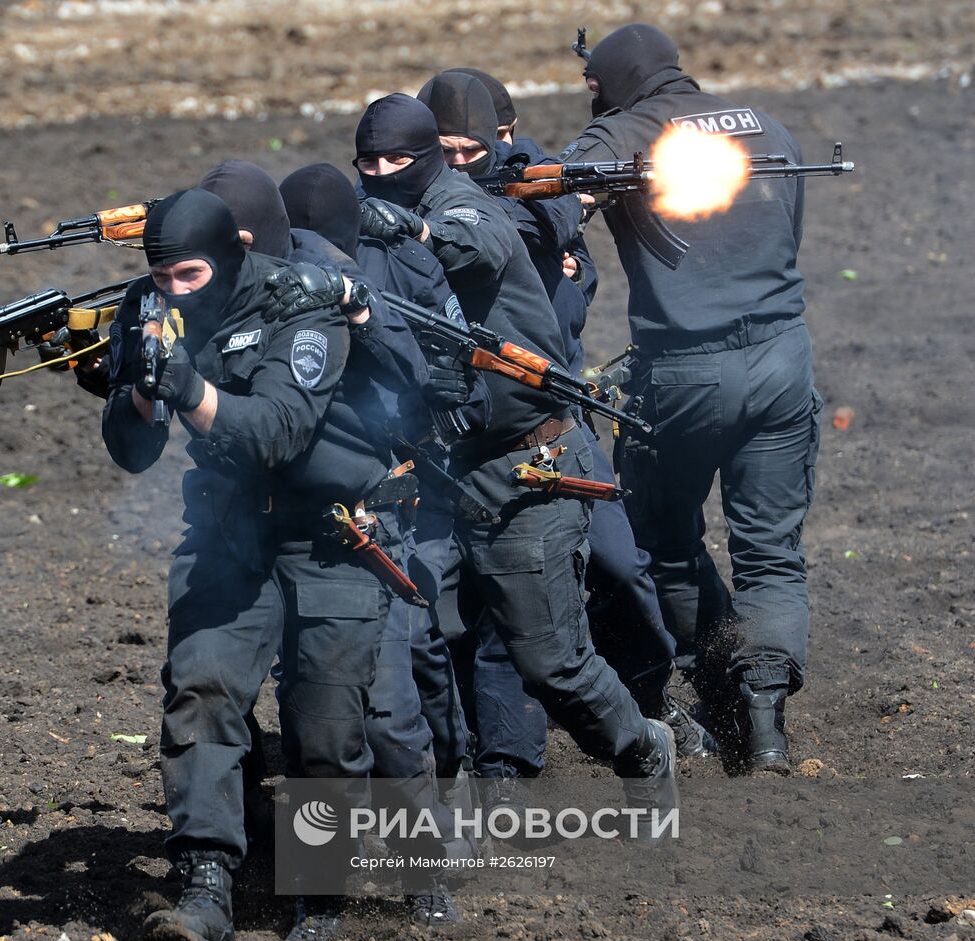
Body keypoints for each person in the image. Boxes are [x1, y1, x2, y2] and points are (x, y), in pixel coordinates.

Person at [349, 93, 679, 819]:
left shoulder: (463, 205)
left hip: (521, 467)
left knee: (551, 662)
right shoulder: (364, 219)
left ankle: (641, 745)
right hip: (429, 472)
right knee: (404, 641)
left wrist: (408, 225)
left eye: (396, 160)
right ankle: (443, 805)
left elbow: (477, 242)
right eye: (366, 163)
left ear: (427, 160)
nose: (379, 173)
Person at [101, 188, 398, 941]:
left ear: (232, 252)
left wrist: (189, 389)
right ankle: (204, 888)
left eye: (189, 275)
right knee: (201, 692)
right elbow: (132, 452)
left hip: (329, 535)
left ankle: (320, 894)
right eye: (161, 276)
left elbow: (275, 434)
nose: (173, 292)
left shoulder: (296, 302)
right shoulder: (151, 306)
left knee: (325, 729)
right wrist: (138, 386)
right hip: (230, 533)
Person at [417, 70, 716, 781]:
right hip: (465, 439)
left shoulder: (536, 195)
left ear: (505, 138)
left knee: (619, 568)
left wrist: (546, 212)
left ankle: (650, 701)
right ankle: (495, 757)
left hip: (556, 425)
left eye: (469, 151)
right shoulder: (433, 202)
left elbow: (555, 253)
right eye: (443, 153)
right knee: (474, 615)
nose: (457, 165)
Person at [199, 160, 460, 927]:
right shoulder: (207, 295)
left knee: (380, 716)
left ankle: (419, 873)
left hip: (356, 531)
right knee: (298, 723)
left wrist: (356, 309)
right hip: (257, 536)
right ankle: (317, 893)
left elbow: (425, 380)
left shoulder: (330, 280)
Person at [562, 24, 823, 773]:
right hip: (782, 357)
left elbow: (549, 203)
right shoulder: (763, 125)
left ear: (601, 83)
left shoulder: (615, 134)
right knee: (772, 555)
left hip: (680, 373)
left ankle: (716, 677)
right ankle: (766, 719)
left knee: (664, 540)